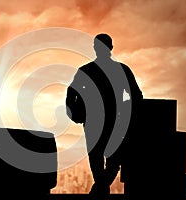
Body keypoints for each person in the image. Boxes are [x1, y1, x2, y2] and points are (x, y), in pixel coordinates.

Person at [66, 33, 143, 198]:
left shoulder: (87, 70)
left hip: (100, 122)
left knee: (101, 161)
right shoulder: (120, 70)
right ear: (111, 48)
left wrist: (77, 114)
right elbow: (136, 97)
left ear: (96, 48)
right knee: (110, 162)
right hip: (113, 122)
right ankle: (100, 190)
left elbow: (71, 93)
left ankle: (99, 191)